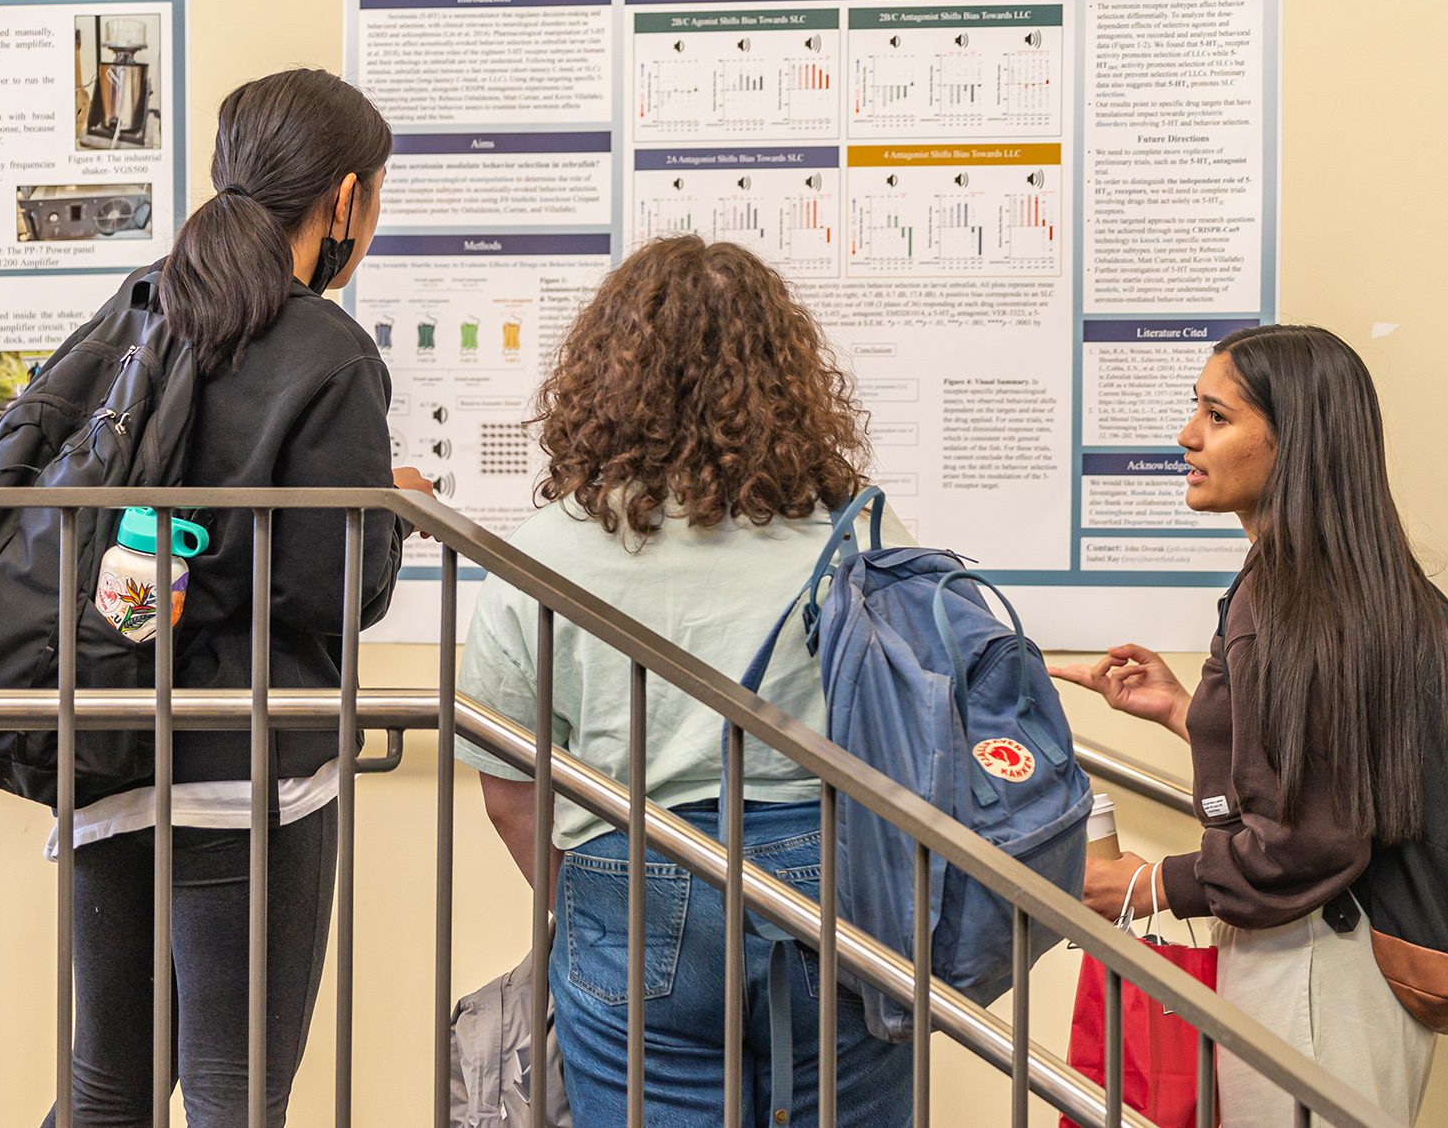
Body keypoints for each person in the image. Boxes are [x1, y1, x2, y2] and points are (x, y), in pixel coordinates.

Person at [456, 235, 913, 1125]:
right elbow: (909, 732)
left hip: (626, 878)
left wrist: (593, 906)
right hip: (832, 883)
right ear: (788, 377)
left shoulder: (541, 550)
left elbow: (509, 793)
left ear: (602, 373)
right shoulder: (856, 531)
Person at [51, 68, 431, 1127]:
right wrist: (388, 512)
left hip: (112, 742)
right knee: (235, 1095)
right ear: (345, 201)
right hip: (249, 773)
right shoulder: (329, 351)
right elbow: (328, 589)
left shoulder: (138, 309)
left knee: (106, 1085)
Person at [1050, 324, 1448, 1126]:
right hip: (1341, 961)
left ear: (1292, 442)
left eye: (1217, 416)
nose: (1187, 435)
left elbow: (1309, 838)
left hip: (1313, 963)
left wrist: (1148, 883)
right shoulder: (1347, 578)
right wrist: (1187, 712)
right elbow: (1328, 765)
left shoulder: (1289, 601)